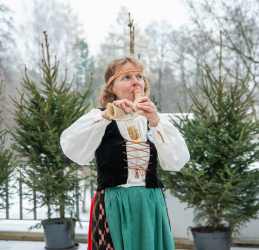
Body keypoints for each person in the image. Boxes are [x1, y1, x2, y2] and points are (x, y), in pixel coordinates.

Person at [60, 56, 190, 250]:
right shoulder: (99, 117)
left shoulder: (154, 119)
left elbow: (176, 161)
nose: (136, 81)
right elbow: (72, 147)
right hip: (114, 203)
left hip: (150, 203)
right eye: (127, 77)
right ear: (111, 87)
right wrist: (106, 115)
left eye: (139, 76)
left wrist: (156, 123)